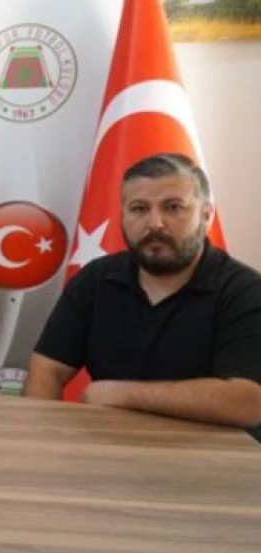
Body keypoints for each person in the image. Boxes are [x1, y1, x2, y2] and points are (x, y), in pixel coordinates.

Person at [24, 153, 261, 427]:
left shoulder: (244, 291)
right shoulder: (95, 280)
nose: (155, 224)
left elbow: (249, 403)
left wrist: (121, 394)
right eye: (139, 209)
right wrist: (43, 438)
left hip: (209, 451)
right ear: (123, 215)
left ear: (206, 216)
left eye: (173, 207)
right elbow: (47, 371)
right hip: (109, 445)